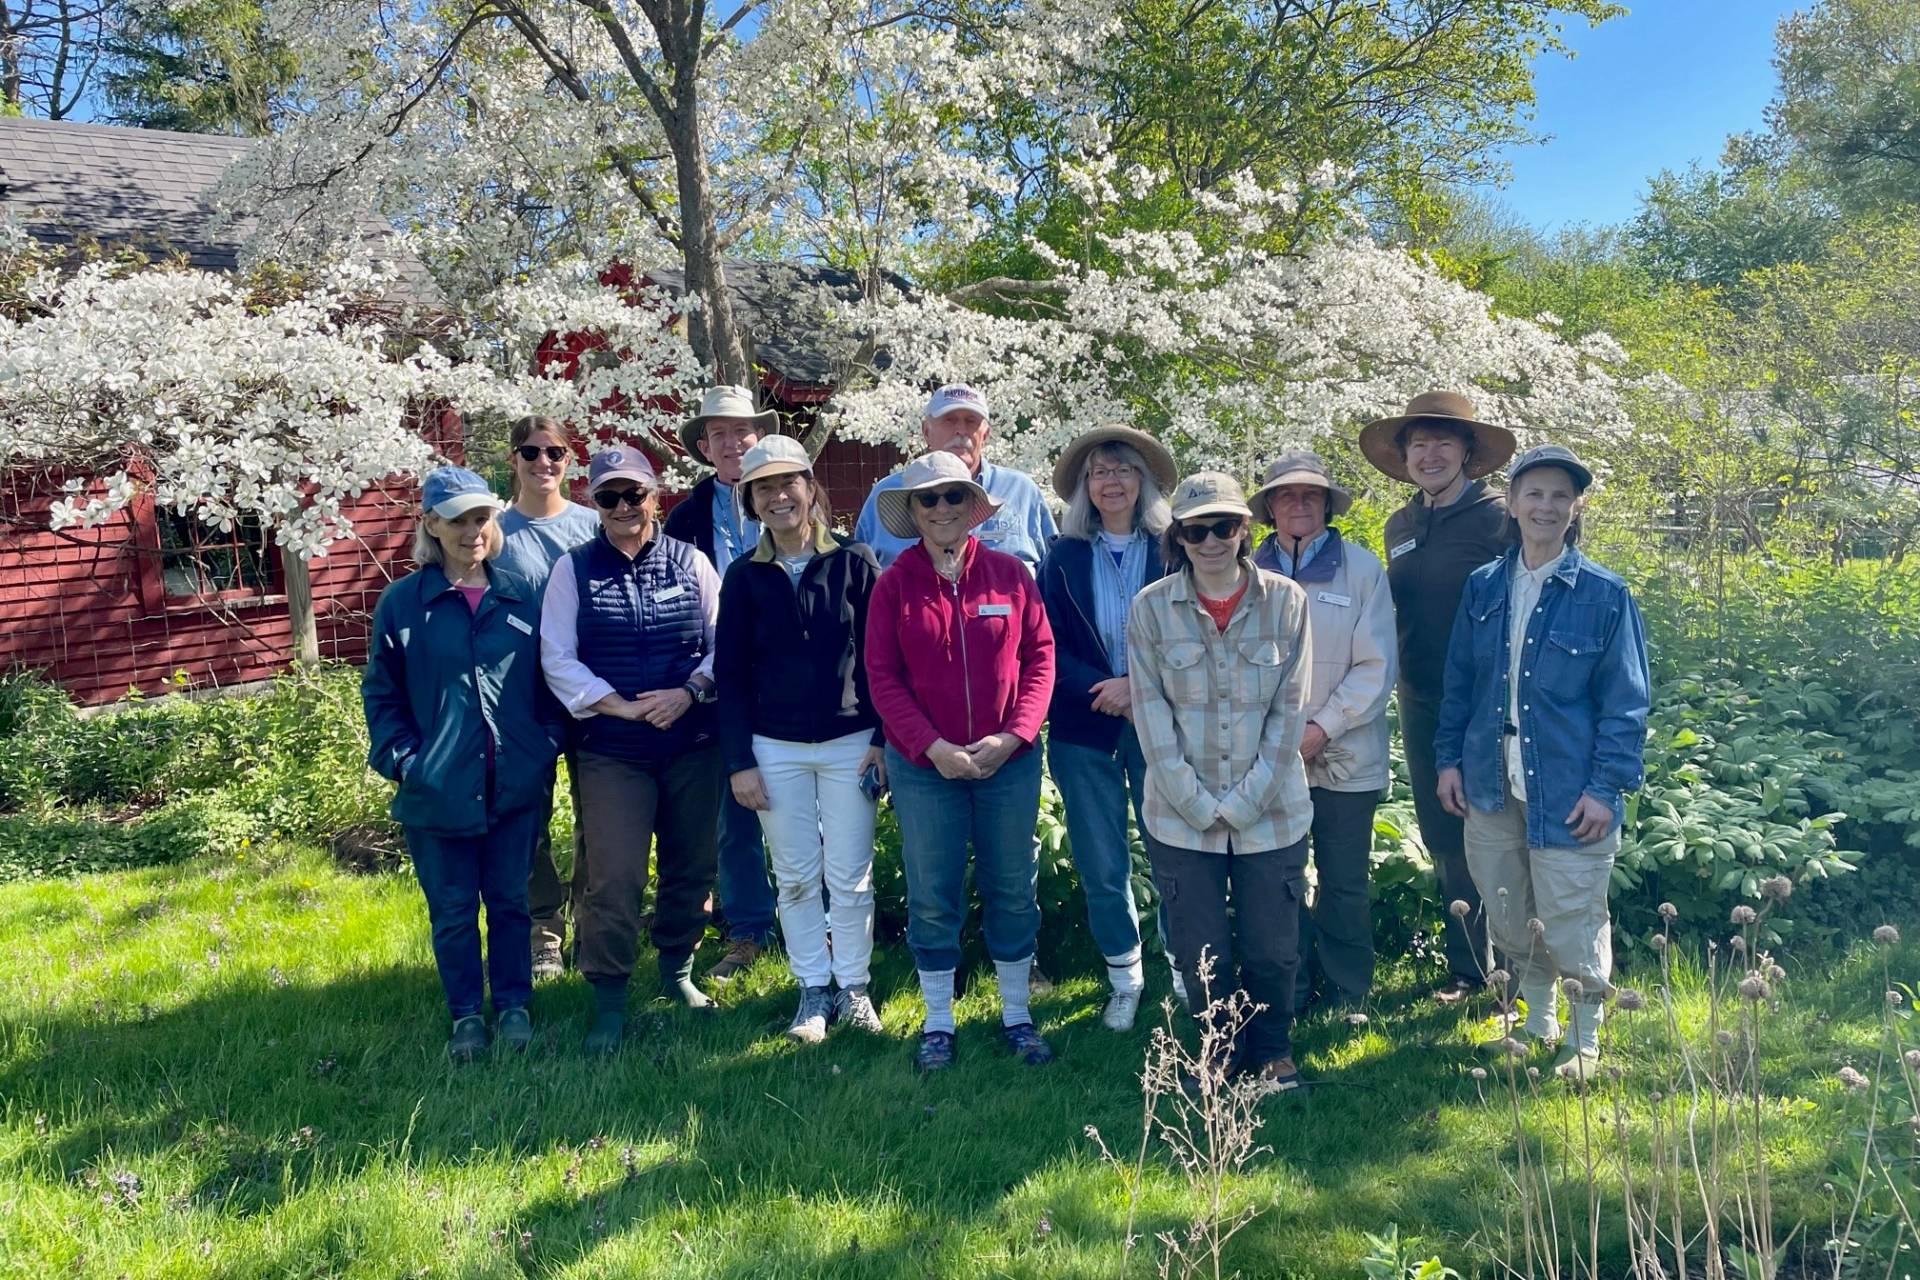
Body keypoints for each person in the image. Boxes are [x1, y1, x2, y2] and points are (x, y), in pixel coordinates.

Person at [1435, 444, 1649, 1083]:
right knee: (1505, 906)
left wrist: (1607, 788)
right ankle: (1539, 1018)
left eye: (1561, 495)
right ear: (1513, 502)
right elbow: (1461, 685)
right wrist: (1449, 760)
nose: (1546, 506)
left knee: (1572, 913)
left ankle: (1585, 1041)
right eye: (1535, 494)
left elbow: (1626, 702)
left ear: (1575, 506)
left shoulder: (1605, 595)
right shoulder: (1483, 586)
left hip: (1568, 784)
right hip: (1489, 778)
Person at [361, 466, 563, 1062]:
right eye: (459, 520)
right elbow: (381, 694)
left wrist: (543, 747)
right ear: (432, 525)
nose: (473, 531)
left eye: (482, 518)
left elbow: (550, 681)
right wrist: (405, 760)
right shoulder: (404, 604)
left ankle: (515, 1004)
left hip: (513, 784)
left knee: (509, 902)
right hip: (437, 788)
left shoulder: (521, 591)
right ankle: (466, 1015)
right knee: (452, 911)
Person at [865, 450, 1057, 1072]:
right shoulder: (893, 585)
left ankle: (1017, 1016)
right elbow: (882, 677)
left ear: (972, 507)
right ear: (913, 513)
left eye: (953, 497)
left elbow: (1040, 659)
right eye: (928, 500)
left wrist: (1015, 736)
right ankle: (939, 1023)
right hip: (926, 769)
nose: (942, 508)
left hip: (1009, 761)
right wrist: (930, 747)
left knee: (1011, 886)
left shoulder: (1009, 576)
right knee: (932, 893)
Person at [1129, 472, 1313, 1092]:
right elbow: (1151, 716)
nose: (1212, 540)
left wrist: (1244, 801)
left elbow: (1290, 712)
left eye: (1224, 526)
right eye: (1197, 529)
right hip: (1181, 814)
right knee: (1200, 950)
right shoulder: (1150, 609)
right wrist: (1195, 801)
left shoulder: (1288, 602)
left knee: (1272, 946)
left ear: (1245, 531)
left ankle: (1272, 1051)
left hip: (1273, 809)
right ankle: (1218, 1054)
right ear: (1179, 537)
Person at [540, 446, 725, 1053]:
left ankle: (676, 970)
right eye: (609, 497)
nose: (624, 506)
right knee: (614, 875)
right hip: (611, 747)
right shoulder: (573, 570)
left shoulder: (691, 562)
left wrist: (690, 690)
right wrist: (616, 704)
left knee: (690, 864)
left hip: (690, 739)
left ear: (656, 495)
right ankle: (609, 995)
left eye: (634, 494)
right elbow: (556, 657)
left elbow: (724, 642)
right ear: (594, 503)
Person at [715, 436, 888, 1044]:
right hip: (774, 747)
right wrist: (740, 761)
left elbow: (881, 658)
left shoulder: (855, 560)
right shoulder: (744, 577)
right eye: (765, 487)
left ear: (812, 490)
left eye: (790, 483)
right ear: (752, 501)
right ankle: (813, 989)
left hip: (851, 741)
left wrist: (882, 740)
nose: (779, 496)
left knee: (850, 873)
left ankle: (854, 987)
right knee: (794, 875)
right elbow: (730, 675)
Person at [1358, 390, 1515, 1006]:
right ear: (1403, 455)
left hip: (1489, 704)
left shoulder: (1501, 518)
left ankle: (1520, 967)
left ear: (1469, 453)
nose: (1429, 454)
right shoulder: (1401, 525)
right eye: (1418, 443)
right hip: (1421, 700)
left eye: (1443, 442)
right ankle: (1471, 968)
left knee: (1501, 832)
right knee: (1446, 835)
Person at [1036, 424, 1175, 1032]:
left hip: (1162, 720)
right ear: (1084, 489)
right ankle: (1125, 977)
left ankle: (1184, 970)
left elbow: (1191, 633)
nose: (1110, 482)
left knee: (1175, 845)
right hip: (1082, 720)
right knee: (1100, 856)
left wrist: (1138, 688)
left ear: (1142, 481)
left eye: (1122, 470)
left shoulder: (1173, 548)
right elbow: (1045, 641)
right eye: (1098, 473)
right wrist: (1103, 688)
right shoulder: (1063, 556)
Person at [1250, 451, 1397, 1021]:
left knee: (1342, 881)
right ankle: (1288, 985)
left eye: (1312, 494)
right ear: (1270, 508)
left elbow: (1376, 667)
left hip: (1345, 754)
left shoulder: (1362, 570)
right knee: (1278, 879)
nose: (1300, 504)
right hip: (1266, 756)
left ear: (1328, 504)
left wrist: (1320, 728)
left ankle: (1347, 990)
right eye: (1287, 495)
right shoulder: (1247, 572)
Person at [663, 385, 781, 985]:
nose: (733, 443)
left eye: (743, 431)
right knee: (733, 808)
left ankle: (826, 921)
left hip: (789, 684)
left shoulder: (789, 503)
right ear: (705, 447)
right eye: (720, 434)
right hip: (717, 681)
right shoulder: (684, 519)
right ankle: (748, 928)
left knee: (807, 809)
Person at [492, 415, 602, 980]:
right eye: (531, 453)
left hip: (588, 690)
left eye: (555, 453)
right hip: (521, 696)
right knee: (528, 818)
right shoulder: (493, 531)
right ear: (513, 459)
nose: (544, 464)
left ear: (569, 460)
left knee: (597, 816)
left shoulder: (591, 526)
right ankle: (543, 930)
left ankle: (591, 922)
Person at [853, 384, 1059, 571]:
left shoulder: (1021, 491)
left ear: (985, 435)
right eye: (949, 420)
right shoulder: (888, 495)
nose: (960, 430)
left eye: (971, 422)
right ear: (926, 432)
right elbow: (859, 578)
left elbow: (1054, 578)